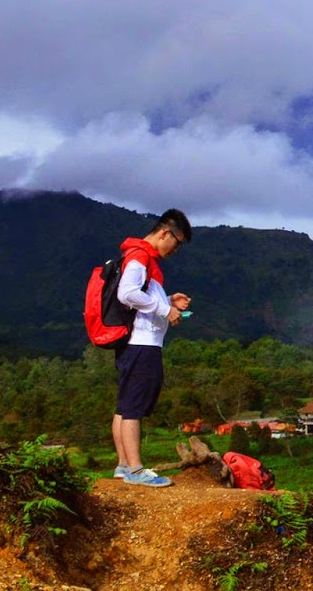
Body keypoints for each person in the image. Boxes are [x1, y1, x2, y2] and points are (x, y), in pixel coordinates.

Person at [111, 208, 193, 487]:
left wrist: (168, 300)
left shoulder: (141, 257)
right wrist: (164, 308)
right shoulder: (141, 256)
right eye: (177, 243)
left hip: (136, 344)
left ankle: (124, 465)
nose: (175, 250)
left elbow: (139, 296)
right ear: (165, 233)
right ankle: (135, 469)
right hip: (142, 345)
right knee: (133, 406)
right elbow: (127, 293)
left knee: (125, 406)